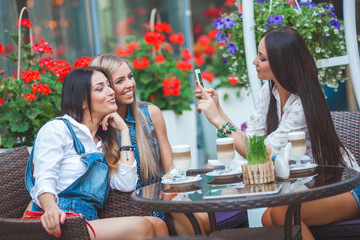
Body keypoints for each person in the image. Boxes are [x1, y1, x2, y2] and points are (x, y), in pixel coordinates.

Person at [195, 27, 359, 239]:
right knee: (268, 217)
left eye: (261, 58)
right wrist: (218, 110)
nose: (254, 61)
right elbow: (252, 141)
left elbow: (261, 154)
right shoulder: (270, 91)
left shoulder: (302, 105)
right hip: (309, 190)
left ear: (282, 64)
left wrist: (217, 120)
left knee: (282, 213)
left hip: (346, 188)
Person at [25, 67, 168, 239]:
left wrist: (123, 131)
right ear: (82, 101)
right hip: (54, 219)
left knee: (158, 223)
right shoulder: (57, 129)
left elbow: (126, 184)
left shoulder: (102, 142)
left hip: (88, 219)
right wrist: (50, 209)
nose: (110, 92)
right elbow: (44, 178)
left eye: (109, 85)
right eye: (100, 88)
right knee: (143, 226)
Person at [89, 53, 210, 236]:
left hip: (162, 203)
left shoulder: (150, 114)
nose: (130, 84)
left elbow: (170, 170)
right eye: (120, 81)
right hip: (123, 214)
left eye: (130, 77)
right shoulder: (96, 129)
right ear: (106, 88)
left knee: (202, 218)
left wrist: (172, 195)